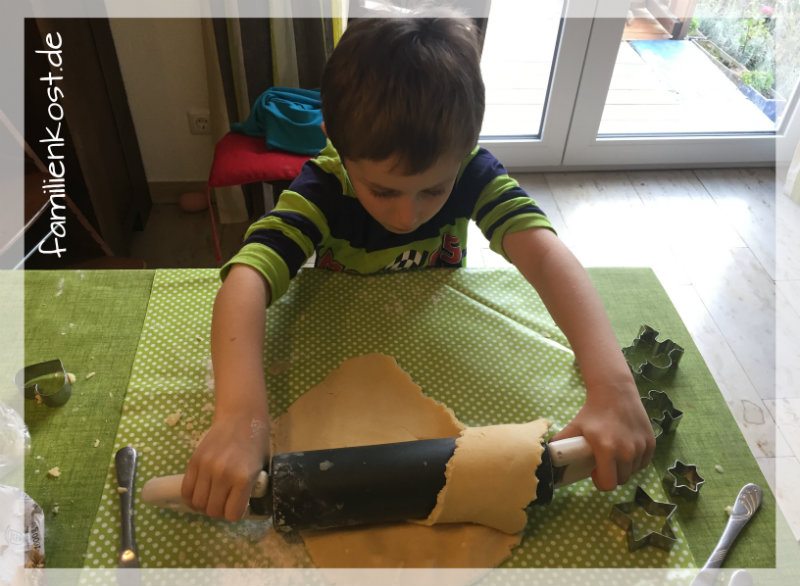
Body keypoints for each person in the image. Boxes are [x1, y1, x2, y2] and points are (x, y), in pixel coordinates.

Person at [181, 12, 656, 522]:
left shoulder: (472, 171)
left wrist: (613, 386)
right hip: (343, 357)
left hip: (437, 336)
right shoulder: (325, 188)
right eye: (382, 191)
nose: (407, 215)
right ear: (337, 142)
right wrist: (241, 418)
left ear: (465, 147)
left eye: (434, 189)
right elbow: (246, 279)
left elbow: (545, 255)